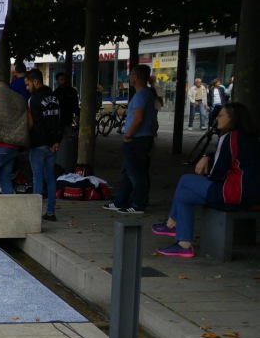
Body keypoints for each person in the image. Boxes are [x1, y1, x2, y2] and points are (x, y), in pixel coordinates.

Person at [152, 103, 259, 257]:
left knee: (186, 180)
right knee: (185, 196)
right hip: (252, 194)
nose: (217, 119)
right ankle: (183, 244)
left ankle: (172, 224)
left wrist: (205, 172)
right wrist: (207, 156)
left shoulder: (229, 137)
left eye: (221, 115)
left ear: (233, 118)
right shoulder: (251, 137)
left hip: (233, 193)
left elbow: (217, 172)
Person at [103, 65, 157, 214]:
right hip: (142, 138)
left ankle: (138, 203)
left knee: (136, 173)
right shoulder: (146, 93)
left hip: (137, 139)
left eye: (131, 74)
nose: (129, 77)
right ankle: (122, 200)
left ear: (137, 77)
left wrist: (128, 135)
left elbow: (138, 118)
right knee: (128, 171)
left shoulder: (141, 95)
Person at [26, 69, 62, 220]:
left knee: (37, 178)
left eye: (28, 84)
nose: (27, 88)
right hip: (53, 145)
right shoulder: (56, 97)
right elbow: (60, 120)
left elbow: (37, 124)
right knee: (50, 178)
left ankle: (34, 214)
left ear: (36, 82)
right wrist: (56, 142)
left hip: (39, 144)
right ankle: (51, 211)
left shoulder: (33, 100)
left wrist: (47, 142)